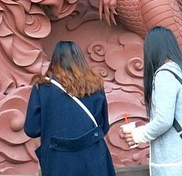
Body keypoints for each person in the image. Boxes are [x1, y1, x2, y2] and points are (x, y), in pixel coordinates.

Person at [120, 27, 182, 175]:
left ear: (151, 49)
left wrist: (137, 135)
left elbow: (164, 120)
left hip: (179, 165)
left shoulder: (165, 75)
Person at [24, 41, 117, 176]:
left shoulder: (42, 88)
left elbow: (32, 129)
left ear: (55, 61)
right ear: (80, 60)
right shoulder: (95, 85)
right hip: (93, 157)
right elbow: (103, 126)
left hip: (58, 160)